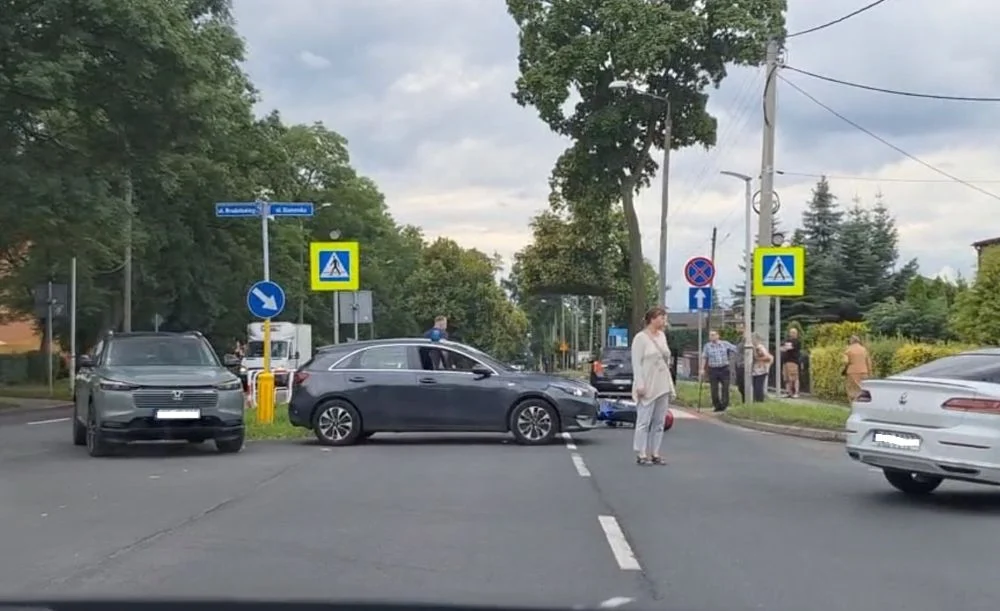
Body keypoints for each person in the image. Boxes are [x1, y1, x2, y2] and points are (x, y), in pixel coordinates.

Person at [630, 306, 676, 466]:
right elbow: (636, 363)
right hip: (647, 383)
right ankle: (641, 453)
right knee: (644, 420)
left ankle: (655, 452)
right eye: (662, 317)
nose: (664, 321)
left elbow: (666, 358)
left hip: (662, 382)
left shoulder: (662, 336)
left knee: (659, 421)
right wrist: (639, 384)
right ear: (652, 319)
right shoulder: (640, 338)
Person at [700, 330, 738, 412]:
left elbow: (736, 349)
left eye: (713, 335)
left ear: (718, 336)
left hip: (724, 368)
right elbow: (704, 357)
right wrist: (702, 369)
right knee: (714, 389)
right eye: (710, 335)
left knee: (725, 388)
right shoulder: (707, 346)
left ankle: (724, 405)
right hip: (713, 369)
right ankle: (717, 405)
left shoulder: (725, 344)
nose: (711, 337)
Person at [842, 335, 873, 402]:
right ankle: (863, 404)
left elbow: (845, 361)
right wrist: (870, 372)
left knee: (852, 390)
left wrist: (844, 370)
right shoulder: (864, 349)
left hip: (852, 373)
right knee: (863, 389)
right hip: (864, 372)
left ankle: (854, 404)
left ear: (851, 341)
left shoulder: (848, 350)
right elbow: (869, 362)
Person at [780, 327, 802, 398]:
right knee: (786, 378)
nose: (792, 334)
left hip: (793, 361)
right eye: (791, 332)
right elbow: (781, 347)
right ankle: (788, 392)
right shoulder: (787, 340)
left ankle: (796, 392)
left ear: (796, 334)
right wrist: (784, 347)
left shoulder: (796, 341)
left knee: (794, 377)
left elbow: (788, 348)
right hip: (785, 361)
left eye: (794, 332)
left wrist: (785, 347)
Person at [750, 333, 773, 402]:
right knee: (755, 387)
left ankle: (759, 401)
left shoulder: (759, 347)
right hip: (756, 370)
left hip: (761, 370)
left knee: (758, 387)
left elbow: (768, 357)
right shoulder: (754, 347)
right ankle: (756, 401)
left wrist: (757, 359)